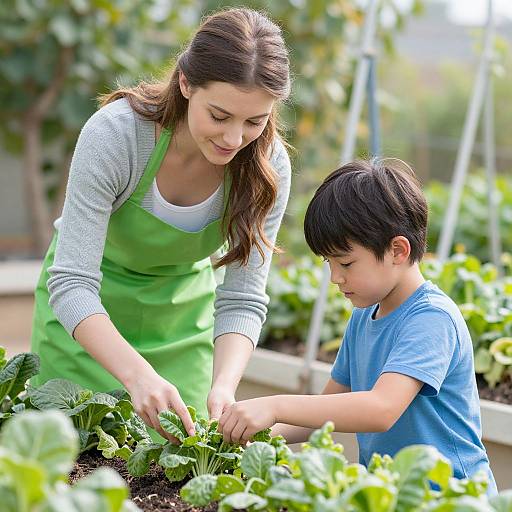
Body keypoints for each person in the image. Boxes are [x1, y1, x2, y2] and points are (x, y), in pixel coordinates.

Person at [30, 7, 291, 441]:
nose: (233, 139)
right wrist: (136, 375)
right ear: (186, 83)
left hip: (180, 329)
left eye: (255, 122)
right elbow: (72, 282)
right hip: (85, 327)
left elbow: (244, 298)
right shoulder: (117, 136)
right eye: (220, 116)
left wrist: (223, 386)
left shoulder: (267, 166)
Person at [218, 159, 497, 493]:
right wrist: (247, 438)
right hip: (393, 496)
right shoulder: (365, 316)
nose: (335, 277)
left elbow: (381, 409)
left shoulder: (432, 318)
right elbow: (323, 416)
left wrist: (274, 405)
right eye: (329, 263)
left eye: (346, 263)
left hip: (453, 498)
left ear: (397, 250)